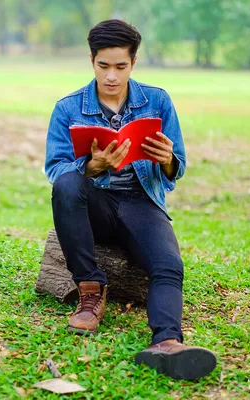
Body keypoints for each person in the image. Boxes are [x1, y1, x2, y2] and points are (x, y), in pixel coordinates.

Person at [44, 19, 217, 380]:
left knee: (169, 265)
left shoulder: (157, 100)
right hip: (95, 203)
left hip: (143, 203)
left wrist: (168, 158)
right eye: (103, 66)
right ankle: (90, 291)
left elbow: (178, 166)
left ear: (133, 63)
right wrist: (93, 165)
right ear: (92, 60)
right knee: (67, 185)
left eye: (120, 67)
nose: (111, 76)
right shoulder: (67, 108)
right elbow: (57, 169)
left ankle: (167, 343)